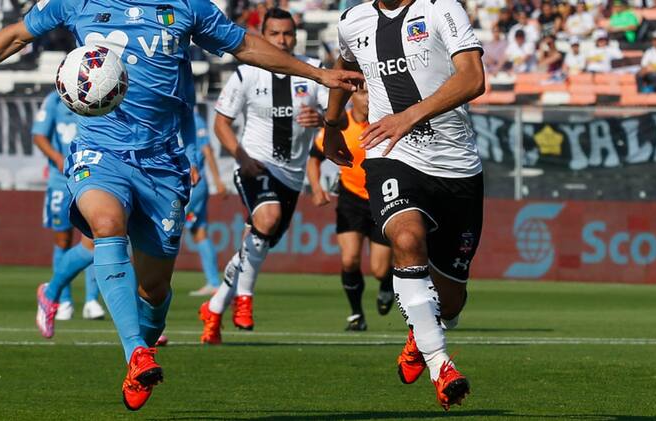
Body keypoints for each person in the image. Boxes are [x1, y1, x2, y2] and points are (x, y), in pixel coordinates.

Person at [0, 0, 361, 411]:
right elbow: (17, 35)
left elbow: (243, 44)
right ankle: (135, 352)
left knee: (154, 290)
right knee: (106, 224)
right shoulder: (79, 2)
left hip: (162, 162)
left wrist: (317, 74)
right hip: (100, 150)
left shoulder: (188, 6)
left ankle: (141, 350)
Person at [327, 0, 485, 410]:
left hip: (457, 167)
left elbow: (473, 78)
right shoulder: (351, 20)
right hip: (391, 154)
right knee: (406, 235)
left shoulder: (441, 8)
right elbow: (344, 71)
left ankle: (422, 330)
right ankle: (441, 364)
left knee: (450, 302)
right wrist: (331, 125)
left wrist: (409, 115)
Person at [198, 8, 329, 343]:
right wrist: (241, 158)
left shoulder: (312, 71)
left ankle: (213, 308)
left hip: (292, 176)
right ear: (262, 36)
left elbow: (338, 117)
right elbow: (221, 123)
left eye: (288, 34)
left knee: (253, 245)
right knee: (266, 218)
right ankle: (244, 301)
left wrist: (324, 120)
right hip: (255, 164)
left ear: (296, 36)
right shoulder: (247, 74)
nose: (282, 40)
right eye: (274, 34)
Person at [307, 87, 393, 331]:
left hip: (382, 197)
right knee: (349, 259)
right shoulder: (339, 124)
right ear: (352, 97)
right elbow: (314, 158)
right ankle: (357, 315)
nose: (367, 98)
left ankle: (386, 284)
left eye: (370, 93)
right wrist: (316, 188)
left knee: (379, 269)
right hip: (351, 198)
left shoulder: (384, 121)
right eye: (363, 93)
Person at [33, 90, 105, 321]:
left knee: (96, 236)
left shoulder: (101, 93)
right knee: (62, 239)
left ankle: (92, 300)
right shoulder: (53, 99)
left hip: (92, 177)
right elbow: (39, 135)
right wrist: (55, 157)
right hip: (60, 181)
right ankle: (63, 300)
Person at [185, 109, 227, 297]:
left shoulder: (193, 119)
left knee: (166, 224)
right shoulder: (183, 116)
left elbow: (207, 150)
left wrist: (218, 180)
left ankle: (146, 279)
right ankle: (214, 282)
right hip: (196, 185)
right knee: (199, 232)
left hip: (193, 185)